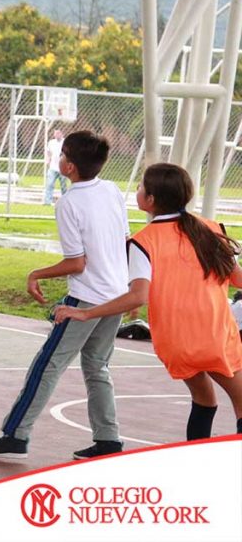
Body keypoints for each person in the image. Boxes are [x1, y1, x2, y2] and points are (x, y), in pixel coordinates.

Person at [54, 163, 242, 441]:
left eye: (141, 186)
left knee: (204, 399)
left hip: (176, 341)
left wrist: (86, 313)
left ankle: (198, 463)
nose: (138, 190)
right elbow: (238, 279)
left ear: (150, 200)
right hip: (213, 334)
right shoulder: (211, 229)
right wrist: (85, 315)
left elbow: (137, 297)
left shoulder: (143, 242)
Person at [0, 130, 128, 461]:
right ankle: (108, 439)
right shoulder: (112, 191)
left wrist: (36, 273)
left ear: (70, 166)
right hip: (116, 295)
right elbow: (122, 242)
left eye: (62, 154)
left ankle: (16, 434)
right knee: (97, 366)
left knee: (47, 365)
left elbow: (77, 262)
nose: (58, 159)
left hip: (87, 298)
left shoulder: (70, 203)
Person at [43, 128, 68, 206]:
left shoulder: (65, 142)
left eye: (58, 133)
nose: (56, 135)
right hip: (53, 167)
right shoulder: (51, 142)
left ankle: (65, 201)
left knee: (63, 186)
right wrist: (48, 160)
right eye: (55, 133)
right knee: (49, 184)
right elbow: (48, 152)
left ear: (62, 134)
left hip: (62, 167)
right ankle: (47, 202)